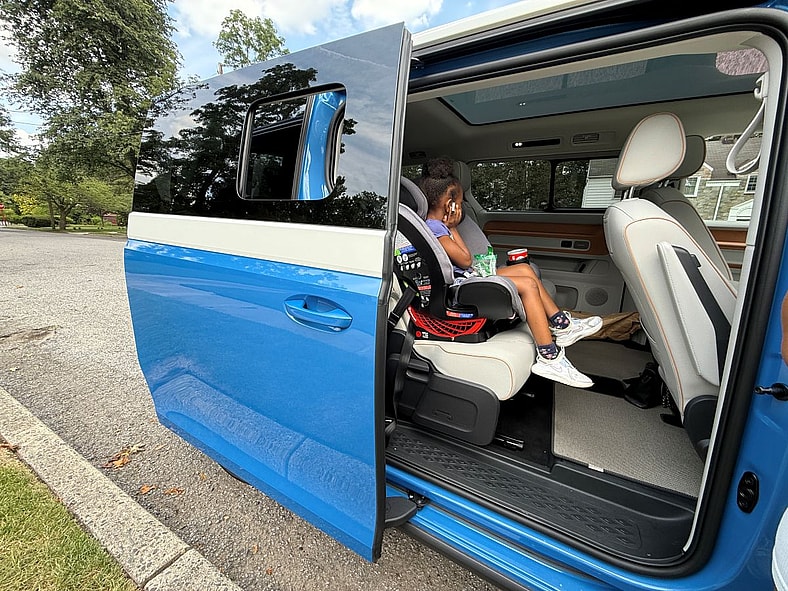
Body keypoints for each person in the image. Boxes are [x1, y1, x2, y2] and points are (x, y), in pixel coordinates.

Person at [418, 157, 602, 389]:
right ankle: (549, 356)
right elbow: (464, 260)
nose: (462, 209)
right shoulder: (435, 227)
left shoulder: (438, 225)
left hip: (468, 275)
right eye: (461, 203)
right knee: (528, 284)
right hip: (458, 285)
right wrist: (454, 226)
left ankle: (560, 324)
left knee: (525, 269)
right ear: (449, 204)